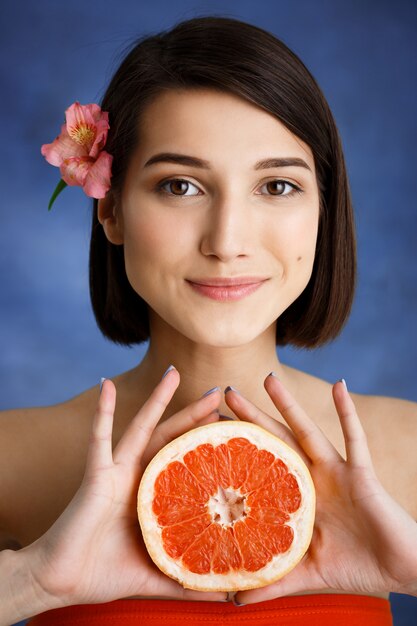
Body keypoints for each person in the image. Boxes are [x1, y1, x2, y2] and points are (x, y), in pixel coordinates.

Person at [1, 15, 416, 626]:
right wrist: (31, 581)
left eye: (276, 186)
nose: (227, 242)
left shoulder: (407, 448)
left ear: (324, 212)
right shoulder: (13, 457)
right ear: (110, 211)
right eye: (180, 186)